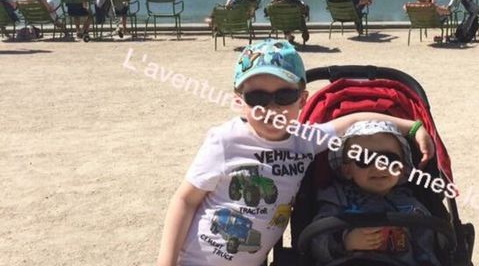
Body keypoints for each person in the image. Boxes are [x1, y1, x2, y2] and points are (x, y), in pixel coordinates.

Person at [157, 39, 436, 266]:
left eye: (284, 96)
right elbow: (185, 200)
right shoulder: (225, 141)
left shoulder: (305, 140)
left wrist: (412, 127)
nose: (272, 108)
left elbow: (354, 121)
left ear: (302, 100)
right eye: (257, 98)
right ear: (239, 102)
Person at [312, 120, 440, 266]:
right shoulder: (336, 200)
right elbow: (315, 242)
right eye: (364, 159)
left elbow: (427, 249)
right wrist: (344, 242)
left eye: (389, 159)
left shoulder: (411, 208)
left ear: (402, 168)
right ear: (347, 170)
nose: (379, 167)